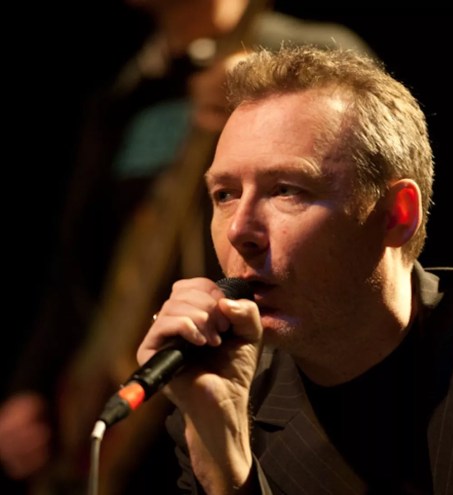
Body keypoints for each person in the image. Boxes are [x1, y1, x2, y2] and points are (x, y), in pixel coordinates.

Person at [135, 45, 453, 494]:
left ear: (397, 215)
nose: (239, 230)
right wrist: (226, 466)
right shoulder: (216, 413)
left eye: (286, 189)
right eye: (225, 195)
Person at [0, 2, 375, 495]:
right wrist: (30, 386)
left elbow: (378, 166)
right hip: (111, 392)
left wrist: (262, 85)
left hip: (249, 395)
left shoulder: (315, 49)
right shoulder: (126, 92)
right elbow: (78, 263)